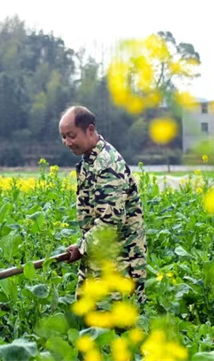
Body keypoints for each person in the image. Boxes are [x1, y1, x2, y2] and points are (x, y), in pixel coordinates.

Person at [59, 106, 147, 304]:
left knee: (113, 320)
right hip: (98, 259)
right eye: (63, 137)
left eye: (71, 136)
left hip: (118, 266)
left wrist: (81, 247)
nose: (67, 142)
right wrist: (82, 246)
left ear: (90, 130)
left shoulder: (107, 165)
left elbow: (110, 223)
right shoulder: (89, 161)